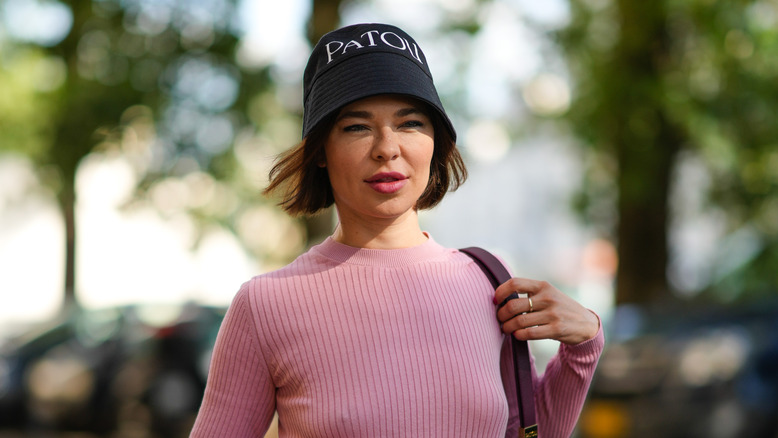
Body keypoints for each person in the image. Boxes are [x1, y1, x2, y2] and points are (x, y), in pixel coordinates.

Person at [190, 23, 603, 438]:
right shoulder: (265, 305)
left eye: (410, 123)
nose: (387, 148)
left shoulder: (489, 282)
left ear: (436, 142)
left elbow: (529, 431)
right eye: (357, 126)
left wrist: (584, 345)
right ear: (320, 151)